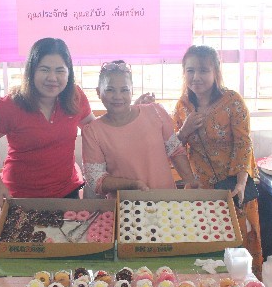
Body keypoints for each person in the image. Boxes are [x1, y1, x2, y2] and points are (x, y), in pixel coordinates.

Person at [172, 45, 263, 278]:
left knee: (237, 241)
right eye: (190, 70)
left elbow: (244, 143)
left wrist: (240, 183)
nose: (196, 77)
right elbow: (173, 147)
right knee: (204, 239)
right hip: (200, 187)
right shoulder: (183, 106)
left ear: (216, 72)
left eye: (204, 70)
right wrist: (185, 130)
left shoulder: (232, 102)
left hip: (232, 185)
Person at [0, 37, 94, 198]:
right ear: (31, 71)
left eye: (60, 70)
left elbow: (95, 131)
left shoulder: (75, 97)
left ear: (69, 73)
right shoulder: (9, 105)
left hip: (67, 191)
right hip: (18, 195)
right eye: (44, 70)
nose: (52, 78)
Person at [82, 60, 196, 197]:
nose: (118, 96)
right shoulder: (92, 132)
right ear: (98, 92)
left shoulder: (156, 112)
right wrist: (133, 184)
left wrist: (191, 182)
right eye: (110, 90)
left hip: (166, 201)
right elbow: (96, 180)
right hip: (125, 204)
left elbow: (175, 151)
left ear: (132, 91)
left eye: (124, 90)